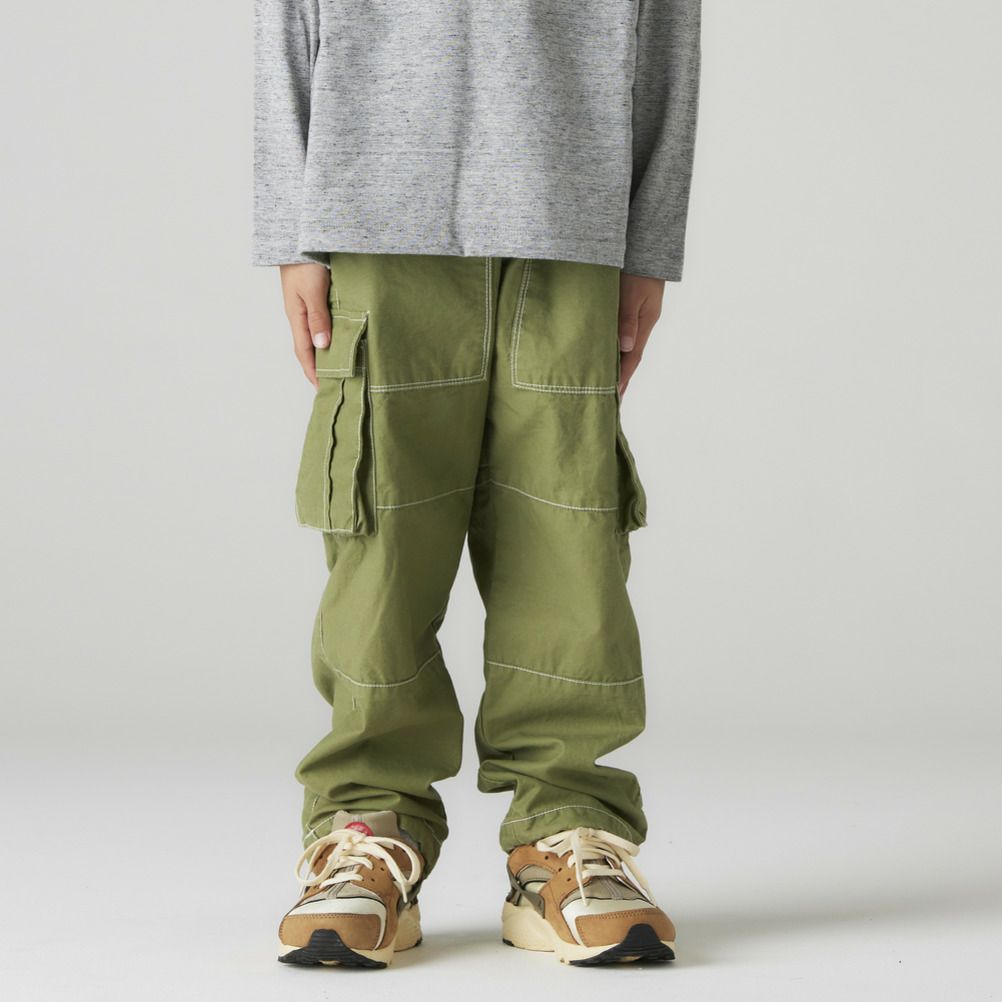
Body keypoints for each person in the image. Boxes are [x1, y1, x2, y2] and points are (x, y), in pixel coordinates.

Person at [254, 0, 700, 969]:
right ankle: (365, 828)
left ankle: (566, 836)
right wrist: (291, 223)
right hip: (375, 189)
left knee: (569, 540)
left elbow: (667, 15)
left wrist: (651, 234)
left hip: (570, 192)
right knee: (380, 546)